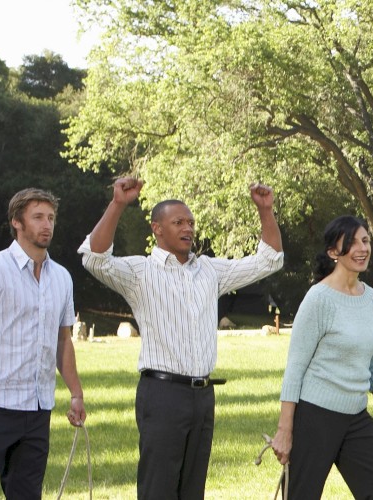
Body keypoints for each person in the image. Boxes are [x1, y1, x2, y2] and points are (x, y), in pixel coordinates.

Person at [79, 177, 284, 499]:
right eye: (178, 222)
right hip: (162, 395)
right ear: (157, 229)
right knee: (158, 488)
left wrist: (266, 211)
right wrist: (118, 203)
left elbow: (269, 260)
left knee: (192, 490)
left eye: (190, 222)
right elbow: (94, 258)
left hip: (202, 397)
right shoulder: (140, 273)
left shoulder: (209, 271)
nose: (188, 228)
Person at [0, 188, 85, 499]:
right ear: (17, 222)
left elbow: (63, 341)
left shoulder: (62, 278)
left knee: (26, 494)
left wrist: (76, 393)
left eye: (50, 218)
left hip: (38, 407)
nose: (46, 224)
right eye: (38, 217)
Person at [269, 215, 373, 499]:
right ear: (333, 252)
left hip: (356, 417)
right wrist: (285, 429)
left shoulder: (369, 297)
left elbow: (371, 362)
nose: (362, 248)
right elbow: (295, 367)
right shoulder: (318, 299)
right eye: (352, 243)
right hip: (315, 417)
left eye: (365, 241)